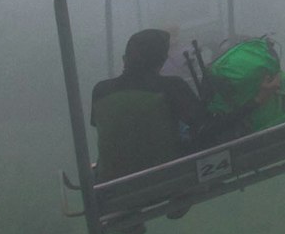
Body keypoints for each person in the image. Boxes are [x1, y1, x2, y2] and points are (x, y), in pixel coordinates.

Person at [86, 26, 208, 179]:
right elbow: (202, 122)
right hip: (168, 176)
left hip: (112, 181)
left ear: (125, 59)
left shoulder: (100, 91)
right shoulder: (172, 86)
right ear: (162, 62)